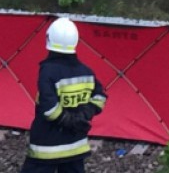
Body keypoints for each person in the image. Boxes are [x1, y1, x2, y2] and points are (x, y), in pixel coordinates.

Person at [20, 18, 106, 173]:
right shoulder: (86, 72)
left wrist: (68, 120)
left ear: (49, 39)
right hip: (75, 147)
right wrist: (85, 113)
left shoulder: (48, 71)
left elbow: (49, 110)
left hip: (46, 147)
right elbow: (100, 97)